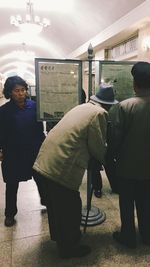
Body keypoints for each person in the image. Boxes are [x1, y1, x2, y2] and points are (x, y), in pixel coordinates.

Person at [33, 84, 118, 259]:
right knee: (70, 208)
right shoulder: (99, 113)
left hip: (44, 162)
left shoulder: (82, 107)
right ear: (108, 104)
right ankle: (69, 248)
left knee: (57, 208)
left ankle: (61, 240)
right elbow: (97, 144)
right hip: (60, 168)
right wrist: (106, 158)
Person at [111, 61, 150, 248]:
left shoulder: (123, 106)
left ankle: (128, 236)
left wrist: (113, 156)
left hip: (126, 167)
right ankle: (147, 235)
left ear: (134, 83)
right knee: (147, 201)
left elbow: (115, 138)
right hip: (148, 167)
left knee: (126, 203)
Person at [0, 76, 46, 227]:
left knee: (41, 178)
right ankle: (10, 214)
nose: (20, 94)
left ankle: (46, 202)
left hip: (34, 150)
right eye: (16, 91)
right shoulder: (4, 111)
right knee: (12, 184)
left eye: (23, 90)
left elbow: (40, 129)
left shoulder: (34, 106)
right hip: (13, 152)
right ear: (10, 93)